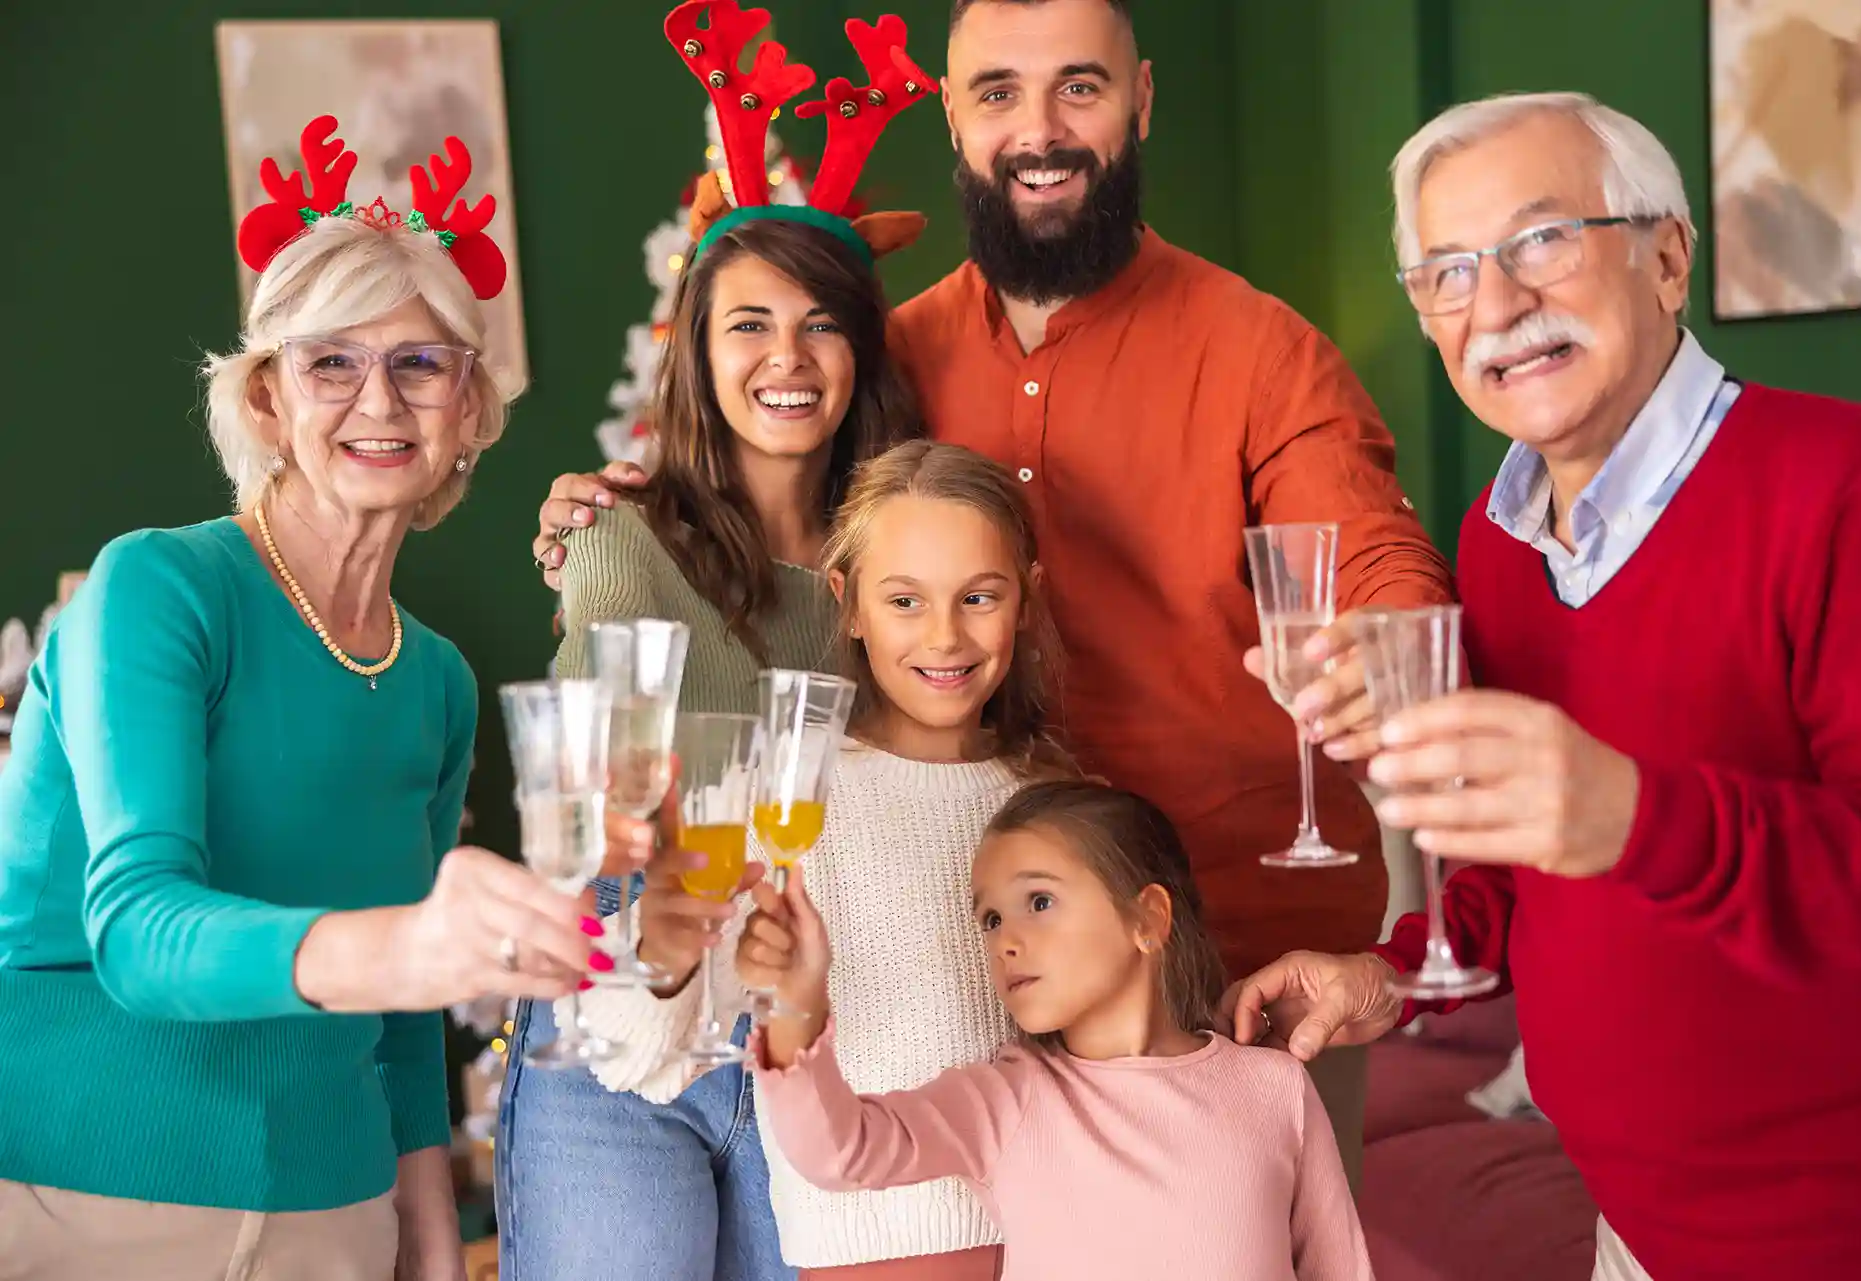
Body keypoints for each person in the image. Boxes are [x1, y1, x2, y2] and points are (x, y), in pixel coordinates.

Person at [534, 0, 1456, 1180]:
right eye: (998, 93)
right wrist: (616, 517)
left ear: (1143, 100)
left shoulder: (1262, 351)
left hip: (1245, 962)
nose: (1040, 129)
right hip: (977, 975)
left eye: (1080, 87)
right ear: (958, 120)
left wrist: (1383, 637)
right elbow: (760, 524)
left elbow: (1371, 551)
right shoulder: (885, 363)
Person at [1224, 92, 1861, 1281]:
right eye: (1446, 271)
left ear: (1667, 256)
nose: (1496, 304)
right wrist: (1386, 977)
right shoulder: (1497, 543)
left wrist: (1637, 817)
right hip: (1632, 1237)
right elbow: (1512, 875)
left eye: (1542, 241)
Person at [0, 117, 615, 1281]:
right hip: (75, 1195)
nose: (377, 400)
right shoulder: (161, 587)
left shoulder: (433, 679)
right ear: (270, 402)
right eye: (331, 361)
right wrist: (413, 945)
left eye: (420, 364)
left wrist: (427, 1228)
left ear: (469, 412)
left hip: (334, 1215)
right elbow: (135, 929)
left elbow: (396, 1030)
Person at [495, 11, 940, 1275]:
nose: (785, 359)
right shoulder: (626, 538)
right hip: (624, 1018)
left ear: (862, 350)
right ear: (695, 348)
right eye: (747, 324)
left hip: (814, 1027)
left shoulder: (899, 576)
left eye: (820, 324)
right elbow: (615, 790)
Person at [580, 441, 1069, 1281]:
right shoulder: (791, 796)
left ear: (1026, 597)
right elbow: (630, 1039)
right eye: (905, 600)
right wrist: (665, 950)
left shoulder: (1059, 796)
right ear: (847, 604)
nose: (945, 636)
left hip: (1069, 1241)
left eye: (979, 597)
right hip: (870, 1254)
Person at [741, 779, 1373, 1281]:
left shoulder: (1274, 1086)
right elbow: (837, 1151)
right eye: (989, 919)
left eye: (1038, 902)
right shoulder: (1009, 1100)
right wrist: (796, 1001)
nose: (1006, 941)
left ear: (1148, 918)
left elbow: (1338, 1269)